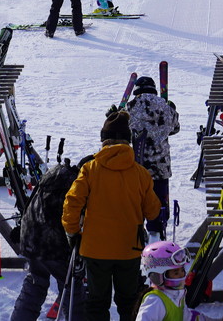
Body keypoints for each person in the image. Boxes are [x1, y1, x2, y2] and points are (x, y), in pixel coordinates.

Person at [62, 110, 161, 321]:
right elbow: (153, 211)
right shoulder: (141, 173)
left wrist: (72, 232)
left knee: (97, 303)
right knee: (128, 302)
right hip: (129, 249)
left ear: (103, 140)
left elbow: (72, 203)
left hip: (95, 249)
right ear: (128, 141)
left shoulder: (90, 169)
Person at [10, 160, 82, 321]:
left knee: (35, 284)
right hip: (54, 246)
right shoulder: (77, 185)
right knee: (72, 288)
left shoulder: (54, 174)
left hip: (32, 238)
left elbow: (31, 203)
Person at [125, 77, 180, 241]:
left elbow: (124, 134)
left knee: (138, 204)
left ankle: (136, 237)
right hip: (161, 167)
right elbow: (175, 128)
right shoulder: (165, 106)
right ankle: (157, 235)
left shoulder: (131, 106)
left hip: (138, 167)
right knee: (158, 206)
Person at [134, 240, 223, 321]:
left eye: (182, 270)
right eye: (176, 273)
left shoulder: (176, 294)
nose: (182, 275)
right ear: (158, 276)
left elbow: (187, 317)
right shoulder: (155, 300)